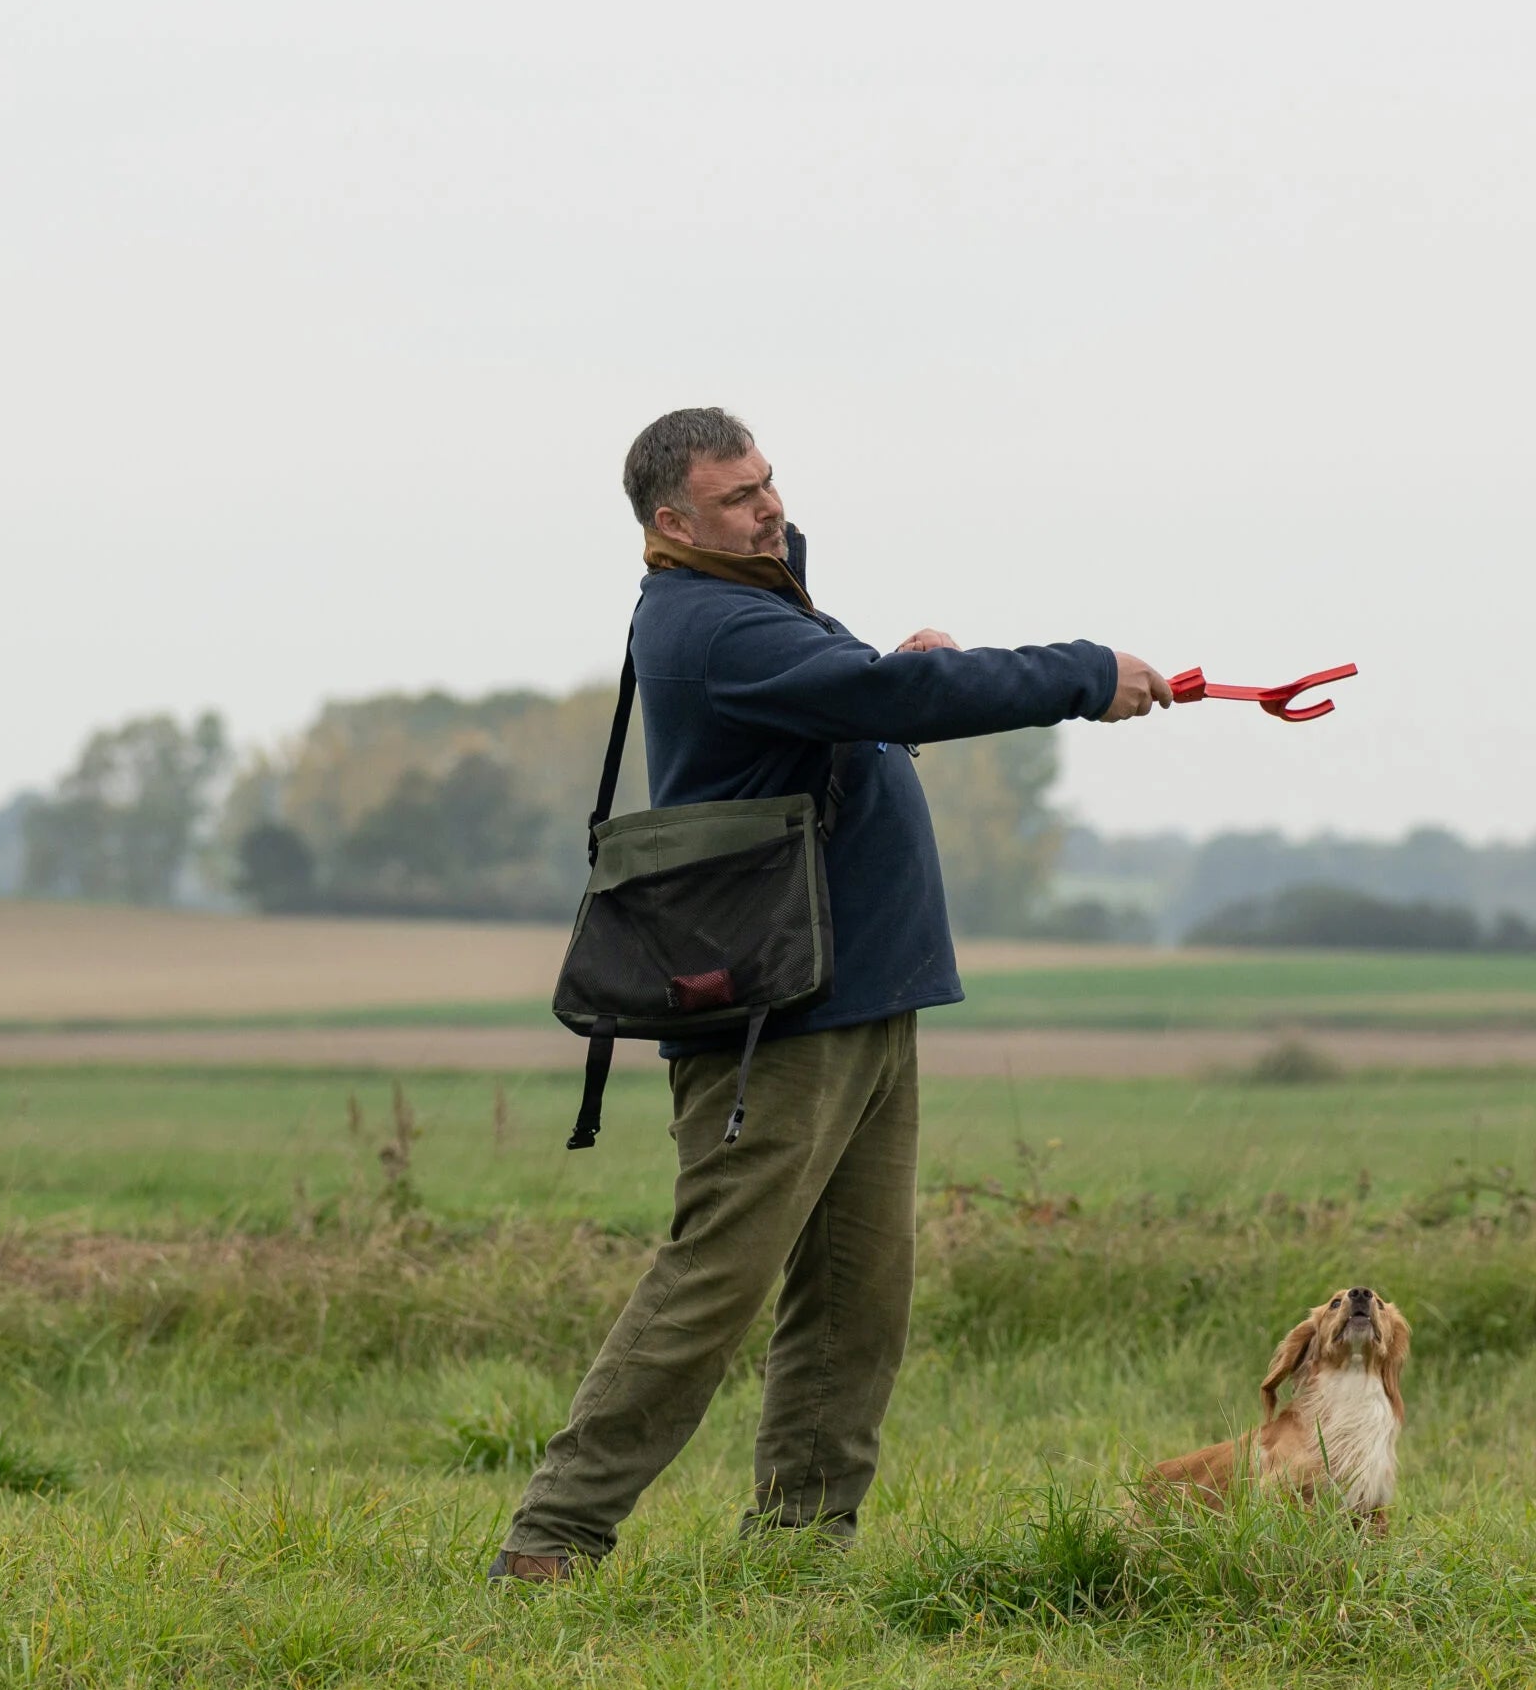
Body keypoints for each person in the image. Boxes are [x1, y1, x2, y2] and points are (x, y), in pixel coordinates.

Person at [492, 407, 1173, 1580]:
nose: (770, 508)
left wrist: (893, 676)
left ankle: (801, 1551)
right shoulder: (710, 620)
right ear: (671, 522)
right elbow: (872, 704)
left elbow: (852, 702)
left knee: (859, 1295)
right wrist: (1079, 674)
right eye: (738, 497)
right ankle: (553, 1538)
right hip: (779, 1017)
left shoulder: (760, 590)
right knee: (715, 1279)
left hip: (860, 988)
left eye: (767, 482)